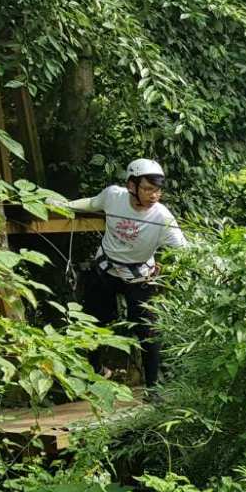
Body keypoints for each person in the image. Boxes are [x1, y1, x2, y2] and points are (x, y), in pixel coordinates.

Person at [69, 158, 188, 388]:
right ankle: (94, 371)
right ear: (131, 186)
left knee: (148, 331)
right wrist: (63, 204)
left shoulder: (162, 217)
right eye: (147, 189)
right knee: (93, 322)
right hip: (105, 271)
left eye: (157, 190)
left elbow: (185, 249)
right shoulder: (113, 196)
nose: (154, 195)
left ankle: (153, 388)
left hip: (140, 278)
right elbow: (92, 203)